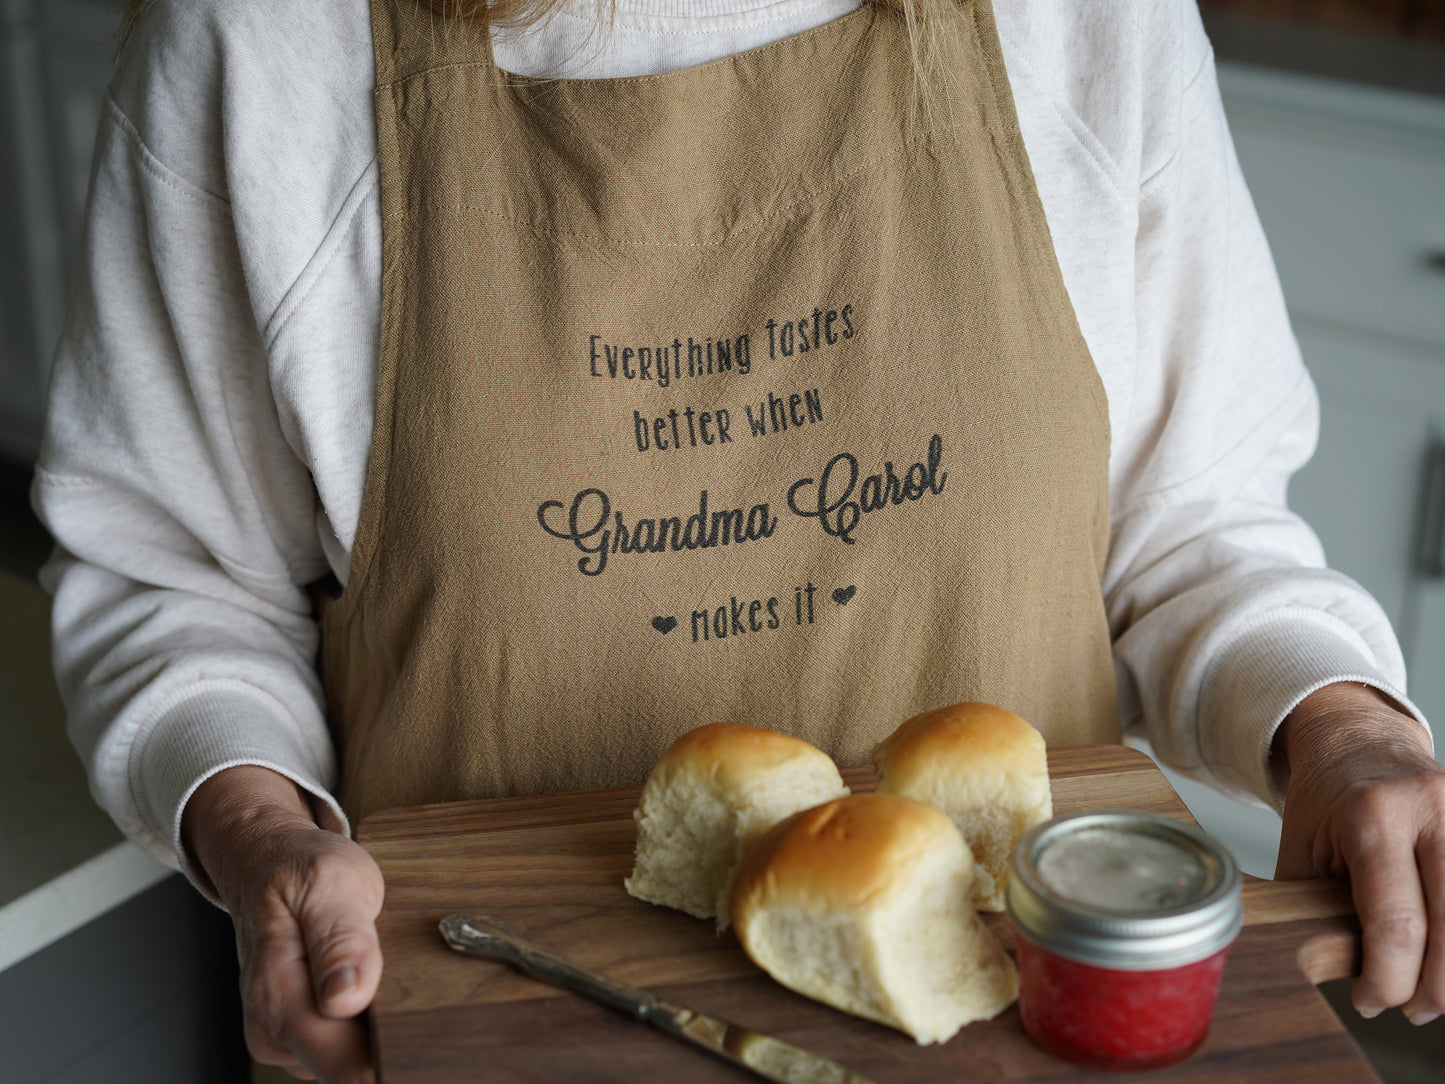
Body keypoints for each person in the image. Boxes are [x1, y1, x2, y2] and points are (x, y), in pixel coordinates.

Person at [33, 0, 1445, 1080]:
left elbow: (1191, 527)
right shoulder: (265, 43)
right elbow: (174, 578)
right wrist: (259, 830)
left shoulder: (1084, 20)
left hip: (1026, 1034)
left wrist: (1342, 732)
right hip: (508, 1014)